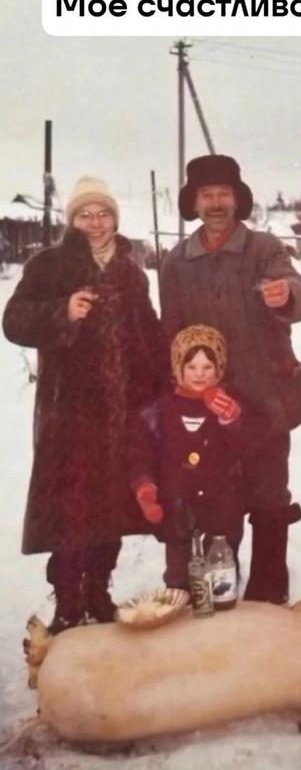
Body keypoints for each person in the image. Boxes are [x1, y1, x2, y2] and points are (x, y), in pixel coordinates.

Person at [2, 177, 162, 633]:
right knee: (70, 509)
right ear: (72, 221)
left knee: (112, 505)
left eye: (103, 213)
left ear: (115, 219)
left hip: (121, 411)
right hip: (68, 414)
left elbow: (148, 332)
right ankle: (69, 601)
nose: (95, 223)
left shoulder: (130, 271)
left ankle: (98, 592)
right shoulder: (49, 265)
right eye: (85, 215)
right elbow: (13, 321)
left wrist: (169, 378)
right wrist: (63, 311)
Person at [160, 155, 301, 604]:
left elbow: (299, 291)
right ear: (193, 202)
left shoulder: (263, 248)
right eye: (206, 195)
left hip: (267, 403)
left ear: (237, 199)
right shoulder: (176, 263)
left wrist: (287, 295)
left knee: (270, 497)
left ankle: (269, 592)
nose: (215, 203)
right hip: (206, 408)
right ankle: (220, 589)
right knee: (214, 501)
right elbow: (171, 335)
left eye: (223, 194)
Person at [129, 324, 261, 590]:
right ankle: (181, 604)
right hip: (177, 510)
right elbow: (141, 454)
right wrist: (145, 486)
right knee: (180, 579)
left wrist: (232, 422)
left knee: (221, 580)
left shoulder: (231, 405)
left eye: (207, 367)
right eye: (191, 367)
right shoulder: (158, 412)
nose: (199, 374)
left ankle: (223, 609)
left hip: (222, 512)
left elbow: (248, 449)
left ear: (219, 368)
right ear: (178, 368)